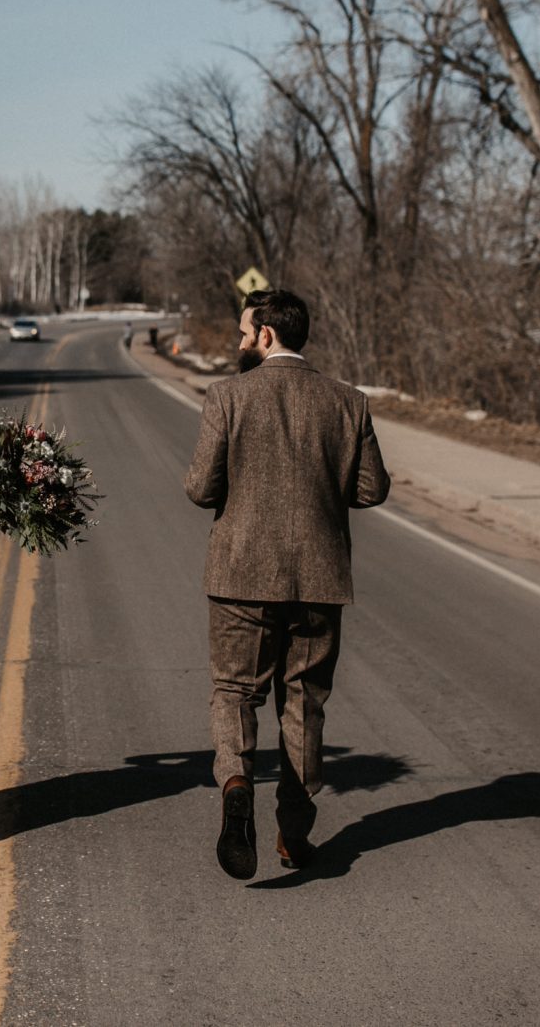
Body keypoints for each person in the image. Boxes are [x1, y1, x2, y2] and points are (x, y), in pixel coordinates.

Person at [183, 288, 390, 879]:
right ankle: (293, 836)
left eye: (245, 333)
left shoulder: (227, 397)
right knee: (304, 704)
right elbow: (372, 489)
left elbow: (201, 488)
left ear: (267, 335)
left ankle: (236, 781)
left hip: (240, 574)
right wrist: (321, 486)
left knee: (235, 692)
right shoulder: (349, 402)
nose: (240, 342)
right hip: (320, 579)